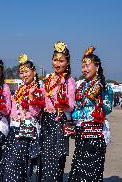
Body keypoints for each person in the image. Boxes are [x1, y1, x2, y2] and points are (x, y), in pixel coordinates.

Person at [68, 46, 113, 182]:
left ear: (97, 67)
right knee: (79, 166)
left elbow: (108, 108)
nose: (84, 69)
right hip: (81, 131)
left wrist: (97, 101)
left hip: (95, 132)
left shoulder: (104, 85)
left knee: (91, 169)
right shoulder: (81, 85)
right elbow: (76, 106)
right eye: (83, 66)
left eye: (88, 65)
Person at [0, 54, 45, 182]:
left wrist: (31, 97)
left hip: (27, 131)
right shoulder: (19, 90)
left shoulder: (39, 90)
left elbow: (35, 112)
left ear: (34, 71)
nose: (24, 75)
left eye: (26, 71)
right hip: (15, 130)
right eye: (21, 72)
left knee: (18, 164)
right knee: (9, 162)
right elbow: (12, 111)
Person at [39, 41, 76, 182]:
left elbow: (71, 104)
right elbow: (42, 98)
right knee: (45, 157)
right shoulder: (48, 79)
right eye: (55, 60)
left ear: (67, 62)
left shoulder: (69, 81)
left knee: (55, 159)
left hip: (59, 122)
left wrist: (63, 103)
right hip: (46, 121)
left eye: (61, 61)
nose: (57, 63)